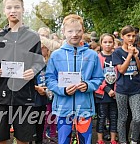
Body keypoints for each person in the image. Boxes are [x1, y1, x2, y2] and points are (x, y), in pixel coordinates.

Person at [0, 0, 44, 144]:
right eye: (9, 7)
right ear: (4, 11)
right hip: (1, 97)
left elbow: (39, 61)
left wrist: (33, 70)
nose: (13, 11)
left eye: (17, 7)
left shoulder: (32, 36)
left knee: (23, 139)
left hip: (24, 96)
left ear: (23, 10)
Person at [45, 14, 104, 144]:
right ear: (64, 32)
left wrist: (88, 85)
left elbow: (99, 77)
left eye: (78, 30)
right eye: (70, 31)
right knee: (63, 140)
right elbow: (50, 79)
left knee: (85, 140)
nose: (74, 34)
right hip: (63, 107)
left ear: (83, 31)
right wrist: (63, 90)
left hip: (84, 108)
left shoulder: (92, 55)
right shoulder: (56, 55)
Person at [112, 25, 140, 144]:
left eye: (133, 36)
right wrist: (129, 55)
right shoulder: (117, 52)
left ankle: (134, 140)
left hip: (136, 89)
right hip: (122, 89)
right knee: (122, 118)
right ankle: (123, 141)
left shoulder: (137, 50)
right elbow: (122, 70)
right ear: (122, 37)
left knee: (137, 118)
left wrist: (136, 57)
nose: (131, 38)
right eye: (128, 36)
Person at [94, 34, 118, 144]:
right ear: (101, 43)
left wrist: (117, 90)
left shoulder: (116, 56)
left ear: (113, 43)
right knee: (102, 116)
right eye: (105, 42)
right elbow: (96, 76)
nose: (108, 44)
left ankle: (113, 139)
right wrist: (107, 89)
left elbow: (120, 73)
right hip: (102, 92)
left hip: (116, 91)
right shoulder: (97, 57)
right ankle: (100, 139)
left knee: (114, 116)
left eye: (110, 42)